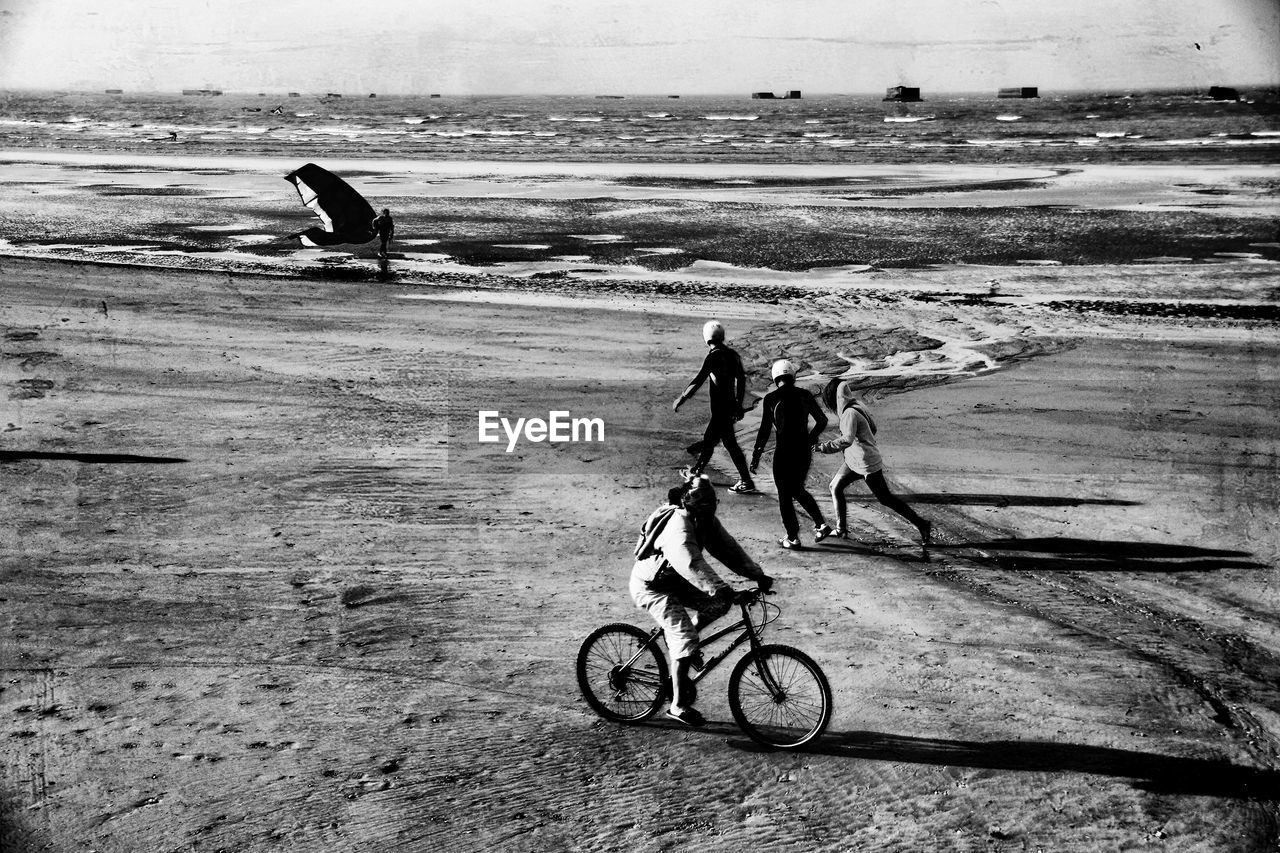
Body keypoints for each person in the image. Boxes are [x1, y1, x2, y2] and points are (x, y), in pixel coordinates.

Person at [630, 475, 773, 727]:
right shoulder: (679, 525)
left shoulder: (705, 521)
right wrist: (720, 588)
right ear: (691, 503)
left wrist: (757, 575)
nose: (708, 510)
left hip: (677, 580)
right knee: (685, 637)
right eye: (704, 505)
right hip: (653, 586)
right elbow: (691, 563)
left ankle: (680, 646)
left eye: (711, 505)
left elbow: (729, 549)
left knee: (719, 604)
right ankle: (677, 706)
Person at [815, 378, 932, 548]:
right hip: (854, 461)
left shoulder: (849, 414)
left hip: (866, 464)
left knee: (886, 499)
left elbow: (846, 440)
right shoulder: (858, 405)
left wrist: (823, 447)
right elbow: (873, 428)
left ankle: (922, 525)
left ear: (835, 398)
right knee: (835, 486)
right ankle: (841, 530)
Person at [751, 360, 832, 550]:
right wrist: (810, 439)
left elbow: (764, 430)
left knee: (785, 494)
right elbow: (822, 420)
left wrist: (756, 455)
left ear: (775, 377)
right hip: (803, 451)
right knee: (796, 488)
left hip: (784, 451)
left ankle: (792, 536)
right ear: (792, 376)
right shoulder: (804, 395)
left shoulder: (771, 399)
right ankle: (821, 525)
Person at [672, 320, 757, 494]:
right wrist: (738, 404)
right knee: (723, 442)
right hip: (730, 406)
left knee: (715, 441)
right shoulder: (733, 355)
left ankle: (742, 480)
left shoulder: (713, 357)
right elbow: (741, 380)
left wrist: (682, 398)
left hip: (720, 409)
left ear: (706, 338)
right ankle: (698, 472)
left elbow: (698, 380)